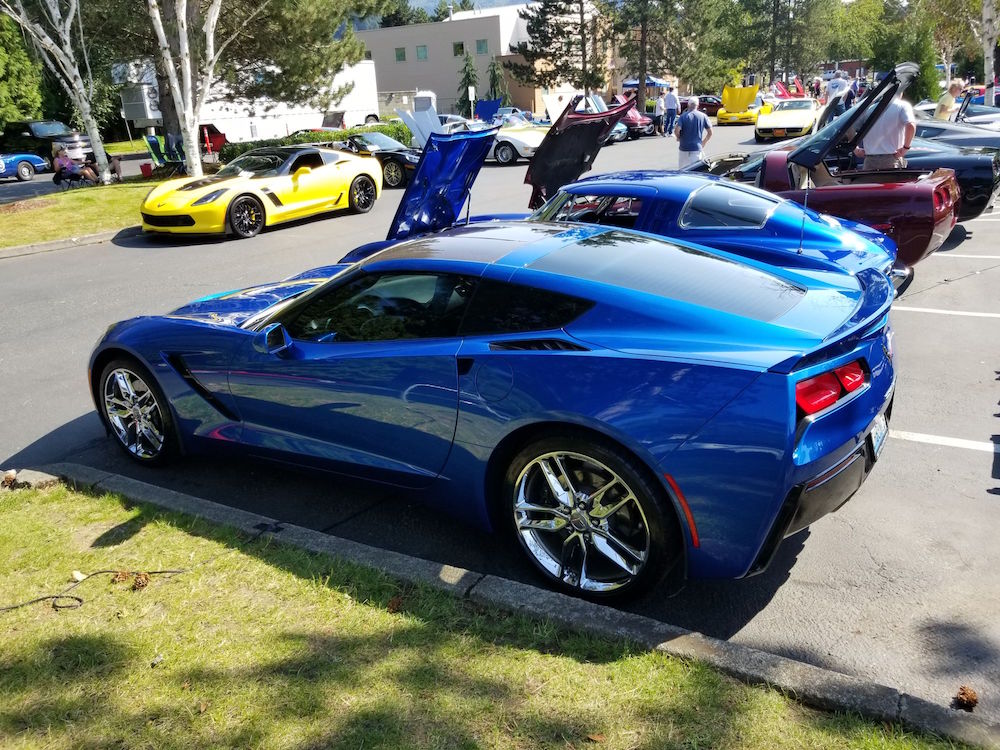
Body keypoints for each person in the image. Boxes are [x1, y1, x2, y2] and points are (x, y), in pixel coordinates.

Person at [854, 92, 916, 170]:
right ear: (901, 92)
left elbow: (850, 128)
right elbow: (911, 126)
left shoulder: (871, 108)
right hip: (891, 160)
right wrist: (905, 148)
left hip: (870, 161)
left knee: (870, 182)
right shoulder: (902, 106)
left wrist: (856, 150)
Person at [674, 96, 712, 168]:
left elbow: (677, 130)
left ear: (688, 105)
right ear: (697, 105)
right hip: (696, 148)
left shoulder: (683, 116)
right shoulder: (703, 116)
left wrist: (679, 137)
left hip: (684, 147)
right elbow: (710, 133)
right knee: (695, 172)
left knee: (682, 171)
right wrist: (704, 142)